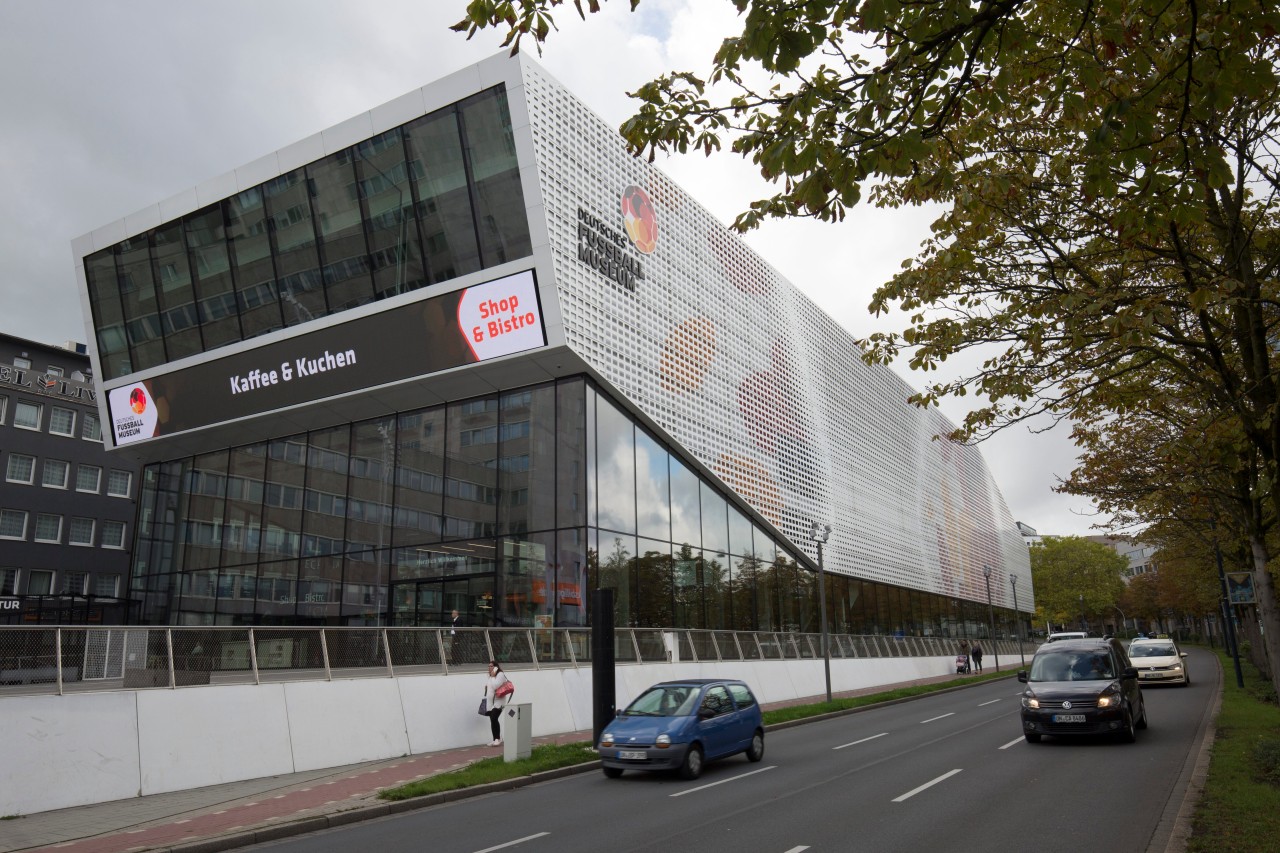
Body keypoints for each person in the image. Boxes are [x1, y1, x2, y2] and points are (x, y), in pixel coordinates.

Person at [482, 660, 511, 746]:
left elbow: (495, 686)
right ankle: (495, 739)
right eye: (489, 666)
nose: (489, 668)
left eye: (491, 666)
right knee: (492, 720)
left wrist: (493, 675)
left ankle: (498, 738)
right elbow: (490, 688)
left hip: (500, 701)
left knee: (494, 718)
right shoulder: (490, 676)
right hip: (491, 702)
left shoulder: (500, 674)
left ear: (495, 667)